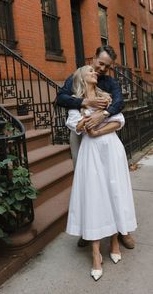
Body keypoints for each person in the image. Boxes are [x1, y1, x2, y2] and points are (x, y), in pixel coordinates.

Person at [56, 45, 135, 250]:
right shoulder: (77, 77)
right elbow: (61, 98)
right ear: (93, 58)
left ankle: (122, 230)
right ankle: (88, 231)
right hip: (80, 136)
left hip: (105, 134)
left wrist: (104, 114)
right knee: (87, 183)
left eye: (106, 67)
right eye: (100, 64)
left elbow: (119, 102)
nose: (101, 69)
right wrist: (85, 101)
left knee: (112, 182)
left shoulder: (109, 82)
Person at [65, 65, 137, 281]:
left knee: (114, 192)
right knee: (95, 197)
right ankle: (96, 253)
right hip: (91, 153)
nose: (95, 72)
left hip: (111, 149)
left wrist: (98, 127)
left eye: (94, 71)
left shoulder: (107, 97)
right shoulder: (75, 103)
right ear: (81, 78)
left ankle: (115, 240)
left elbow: (119, 121)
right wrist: (91, 117)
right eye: (89, 71)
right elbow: (76, 125)